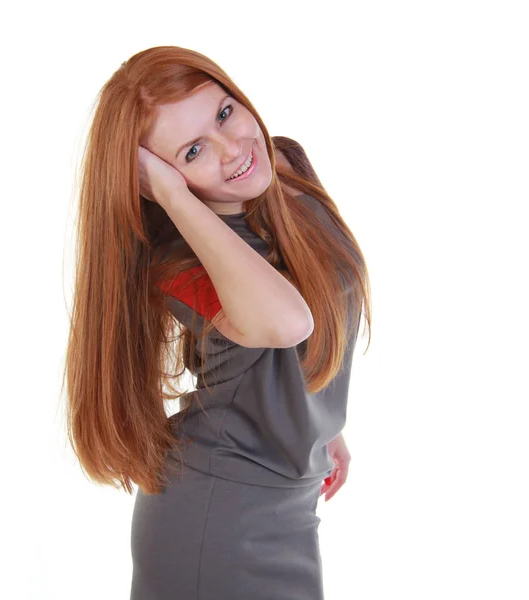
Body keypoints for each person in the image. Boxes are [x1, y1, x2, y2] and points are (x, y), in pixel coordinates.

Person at [63, 45, 371, 600]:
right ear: (157, 180)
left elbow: (317, 301)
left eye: (225, 113)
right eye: (193, 150)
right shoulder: (180, 264)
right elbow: (286, 322)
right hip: (218, 517)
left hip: (290, 502)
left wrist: (318, 418)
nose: (234, 151)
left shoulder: (284, 167)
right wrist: (175, 200)